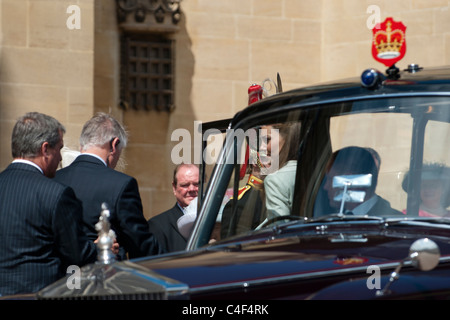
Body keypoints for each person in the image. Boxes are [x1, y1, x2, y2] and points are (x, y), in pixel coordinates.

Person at [0, 112, 97, 296]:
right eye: (59, 149)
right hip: (37, 293)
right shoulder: (56, 193)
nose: (60, 158)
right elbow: (76, 254)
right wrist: (99, 246)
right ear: (45, 149)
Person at [54, 112, 162, 259]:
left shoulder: (53, 179)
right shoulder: (122, 184)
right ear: (113, 145)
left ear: (82, 145)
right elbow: (140, 243)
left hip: (60, 277)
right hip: (102, 275)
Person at [322, 146, 402, 216]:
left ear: (354, 182)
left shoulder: (395, 225)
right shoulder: (328, 219)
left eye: (330, 179)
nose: (325, 187)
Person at [148, 164, 199, 252]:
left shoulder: (216, 219)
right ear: (174, 188)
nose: (191, 189)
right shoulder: (157, 225)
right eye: (185, 185)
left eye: (196, 184)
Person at [263, 122, 301, 219]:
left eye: (267, 139)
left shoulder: (275, 180)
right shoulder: (318, 171)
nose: (263, 148)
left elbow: (279, 227)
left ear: (287, 138)